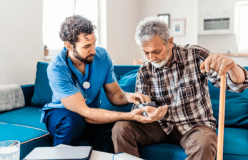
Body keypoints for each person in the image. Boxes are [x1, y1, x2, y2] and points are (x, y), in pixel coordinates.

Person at [112, 16, 248, 160]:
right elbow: (140, 108)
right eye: (146, 53)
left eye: (156, 51)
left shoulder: (195, 55)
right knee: (121, 129)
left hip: (194, 125)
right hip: (159, 125)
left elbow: (238, 86)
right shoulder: (145, 70)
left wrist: (233, 67)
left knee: (204, 144)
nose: (151, 58)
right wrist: (146, 113)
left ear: (170, 42)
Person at [40, 15, 168, 153]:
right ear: (68, 46)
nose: (94, 51)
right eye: (87, 46)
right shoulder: (57, 68)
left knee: (112, 127)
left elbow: (114, 94)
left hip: (91, 112)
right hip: (61, 114)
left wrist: (129, 97)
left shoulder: (102, 57)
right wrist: (129, 115)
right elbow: (85, 112)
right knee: (72, 122)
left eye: (94, 43)